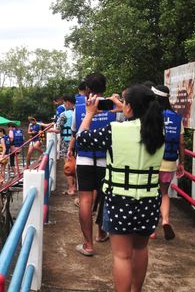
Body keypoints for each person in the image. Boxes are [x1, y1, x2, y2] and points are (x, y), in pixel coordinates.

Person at [77, 85, 165, 292]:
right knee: (141, 248)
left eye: (125, 102)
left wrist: (89, 114)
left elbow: (82, 140)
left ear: (130, 107)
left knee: (122, 255)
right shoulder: (157, 132)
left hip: (119, 201)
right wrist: (126, 109)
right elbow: (138, 126)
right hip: (150, 200)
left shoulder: (115, 130)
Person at [70, 73, 115, 255]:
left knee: (85, 201)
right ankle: (102, 233)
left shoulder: (80, 107)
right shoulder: (113, 106)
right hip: (107, 160)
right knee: (104, 197)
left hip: (85, 160)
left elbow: (75, 132)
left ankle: (88, 245)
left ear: (87, 88)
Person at [151, 85, 185, 240]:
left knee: (151, 193)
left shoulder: (154, 116)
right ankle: (165, 220)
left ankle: (151, 229)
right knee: (164, 193)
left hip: (154, 161)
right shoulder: (177, 117)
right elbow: (181, 143)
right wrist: (182, 162)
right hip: (170, 162)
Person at [54, 95, 76, 195]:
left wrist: (49, 130)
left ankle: (71, 188)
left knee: (68, 166)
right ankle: (75, 186)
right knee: (75, 164)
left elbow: (58, 130)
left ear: (67, 103)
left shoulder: (63, 115)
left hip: (66, 142)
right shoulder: (78, 113)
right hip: (76, 142)